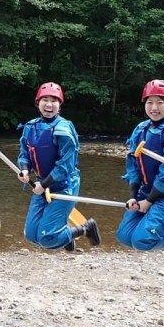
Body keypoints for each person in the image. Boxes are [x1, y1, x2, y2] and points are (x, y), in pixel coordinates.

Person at [17, 82, 100, 251]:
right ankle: (64, 234)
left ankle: (85, 228)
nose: (49, 104)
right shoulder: (30, 127)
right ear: (37, 103)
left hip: (64, 185)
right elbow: (25, 153)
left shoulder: (63, 129)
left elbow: (65, 166)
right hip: (42, 184)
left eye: (54, 100)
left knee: (46, 239)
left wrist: (44, 184)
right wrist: (24, 168)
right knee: (31, 235)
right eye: (45, 100)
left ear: (60, 105)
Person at [116, 80, 164, 255]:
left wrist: (148, 201)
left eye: (160, 102)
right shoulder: (141, 129)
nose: (154, 108)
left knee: (142, 241)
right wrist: (134, 196)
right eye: (150, 102)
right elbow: (132, 165)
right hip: (146, 191)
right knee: (124, 236)